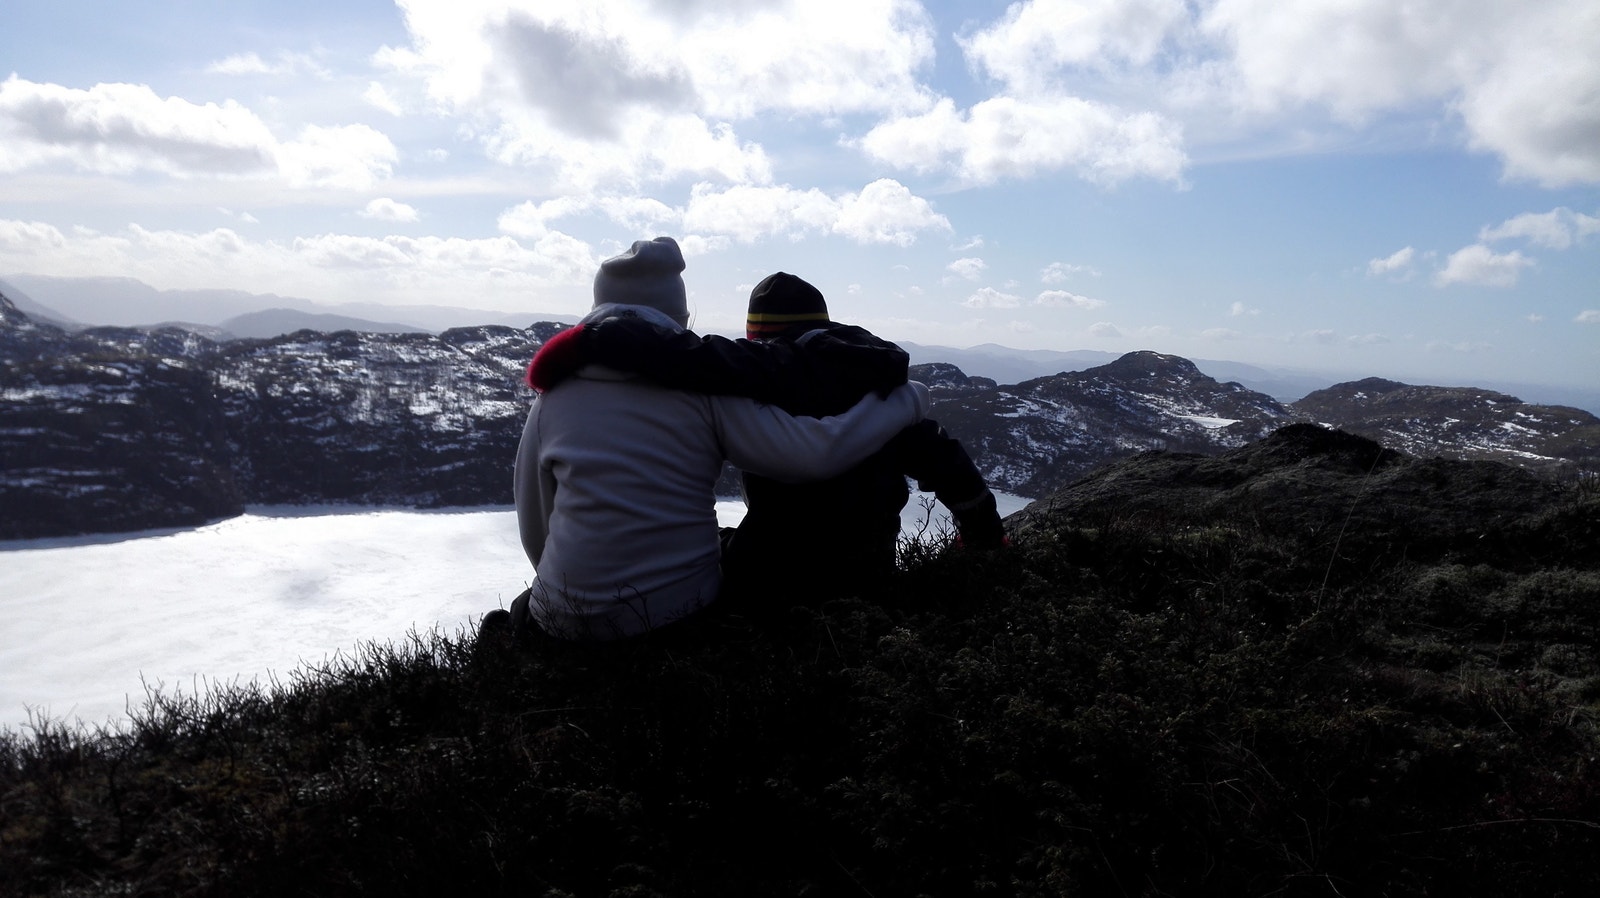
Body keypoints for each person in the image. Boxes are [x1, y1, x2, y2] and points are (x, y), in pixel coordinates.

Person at [498, 238, 930, 643]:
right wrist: (906, 401)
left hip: (564, 617)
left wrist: (577, 597)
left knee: (513, 617)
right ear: (677, 318)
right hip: (680, 613)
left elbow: (536, 528)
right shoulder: (706, 390)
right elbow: (816, 455)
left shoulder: (551, 398)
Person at [547, 271, 1004, 603]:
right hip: (870, 564)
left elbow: (699, 357)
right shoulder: (875, 380)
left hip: (776, 568)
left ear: (762, 338)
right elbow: (946, 461)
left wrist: (601, 338)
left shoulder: (776, 370)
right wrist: (983, 534)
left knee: (703, 554)